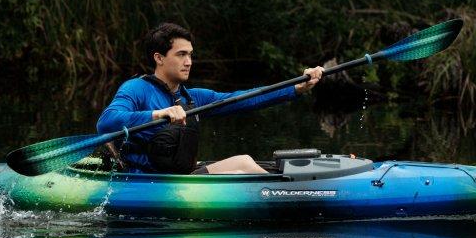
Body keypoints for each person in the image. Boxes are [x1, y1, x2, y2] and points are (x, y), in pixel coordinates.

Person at [96, 23, 322, 174]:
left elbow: (244, 99)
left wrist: (296, 88)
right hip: (145, 182)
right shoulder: (136, 89)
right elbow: (106, 122)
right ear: (159, 58)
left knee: (244, 161)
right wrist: (158, 114)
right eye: (181, 54)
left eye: (190, 55)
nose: (188, 62)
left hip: (180, 177)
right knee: (243, 165)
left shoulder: (193, 98)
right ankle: (287, 198)